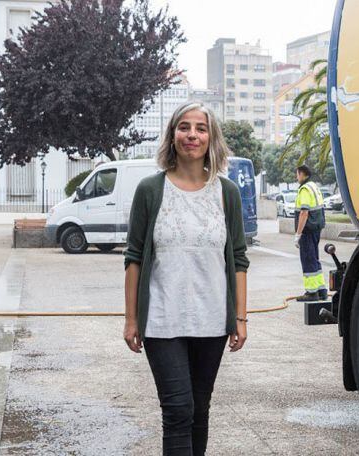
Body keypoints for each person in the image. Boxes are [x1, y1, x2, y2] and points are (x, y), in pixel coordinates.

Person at [123, 101, 249, 456]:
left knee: (199, 409)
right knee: (178, 410)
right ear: (172, 135)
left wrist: (240, 319)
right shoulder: (150, 190)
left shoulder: (227, 193)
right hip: (162, 320)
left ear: (211, 138)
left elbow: (239, 259)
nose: (192, 135)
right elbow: (134, 258)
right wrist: (131, 319)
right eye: (184, 127)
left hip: (212, 320)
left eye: (200, 128)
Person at [294, 165, 327, 302]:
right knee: (314, 259)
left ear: (302, 174)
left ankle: (311, 293)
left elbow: (304, 212)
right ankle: (321, 290)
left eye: (297, 174)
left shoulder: (305, 189)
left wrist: (298, 234)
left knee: (308, 259)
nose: (296, 177)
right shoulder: (314, 186)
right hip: (316, 228)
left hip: (307, 231)